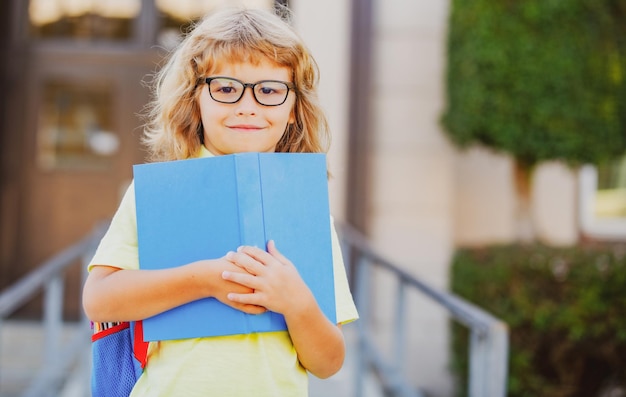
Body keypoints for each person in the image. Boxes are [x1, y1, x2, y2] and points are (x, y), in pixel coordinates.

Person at [82, 5, 358, 397]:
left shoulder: (306, 208)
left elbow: (328, 363)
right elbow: (99, 301)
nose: (248, 106)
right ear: (196, 99)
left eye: (269, 90)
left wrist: (296, 303)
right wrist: (208, 280)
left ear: (293, 107)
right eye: (226, 88)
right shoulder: (161, 193)